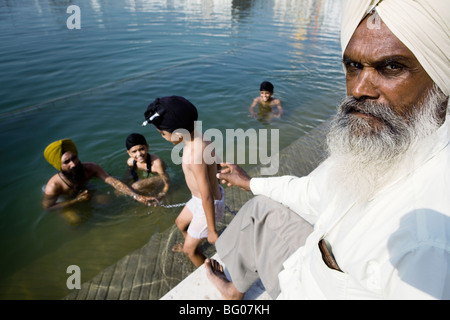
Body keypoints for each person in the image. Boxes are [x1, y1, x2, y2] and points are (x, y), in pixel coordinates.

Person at [205, 0, 450, 300]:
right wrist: (248, 182)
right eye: (353, 66)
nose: (359, 88)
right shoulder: (380, 147)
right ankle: (235, 288)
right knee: (261, 207)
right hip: (299, 272)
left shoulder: (427, 241)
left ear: (441, 79)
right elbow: (312, 192)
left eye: (391, 67)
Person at [143, 96, 225, 267]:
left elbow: (207, 195)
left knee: (189, 251)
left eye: (164, 134)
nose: (163, 138)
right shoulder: (202, 137)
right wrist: (221, 170)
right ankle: (193, 242)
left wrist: (212, 230)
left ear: (178, 134)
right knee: (180, 223)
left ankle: (207, 267)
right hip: (198, 200)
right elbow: (216, 162)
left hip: (207, 204)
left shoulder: (194, 154)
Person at [42, 139, 158, 222]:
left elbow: (113, 181)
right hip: (68, 200)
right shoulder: (54, 185)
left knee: (107, 201)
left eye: (74, 158)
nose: (73, 164)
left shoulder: (90, 168)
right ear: (58, 165)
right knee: (76, 221)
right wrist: (76, 201)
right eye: (67, 162)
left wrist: (136, 196)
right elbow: (48, 207)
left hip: (86, 192)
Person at [125, 133, 170, 200]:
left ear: (147, 147)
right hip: (149, 176)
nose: (139, 154)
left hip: (163, 176)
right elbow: (128, 175)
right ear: (129, 153)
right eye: (134, 151)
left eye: (142, 149)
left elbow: (167, 182)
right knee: (121, 189)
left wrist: (162, 194)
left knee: (136, 186)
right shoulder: (130, 162)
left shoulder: (156, 163)